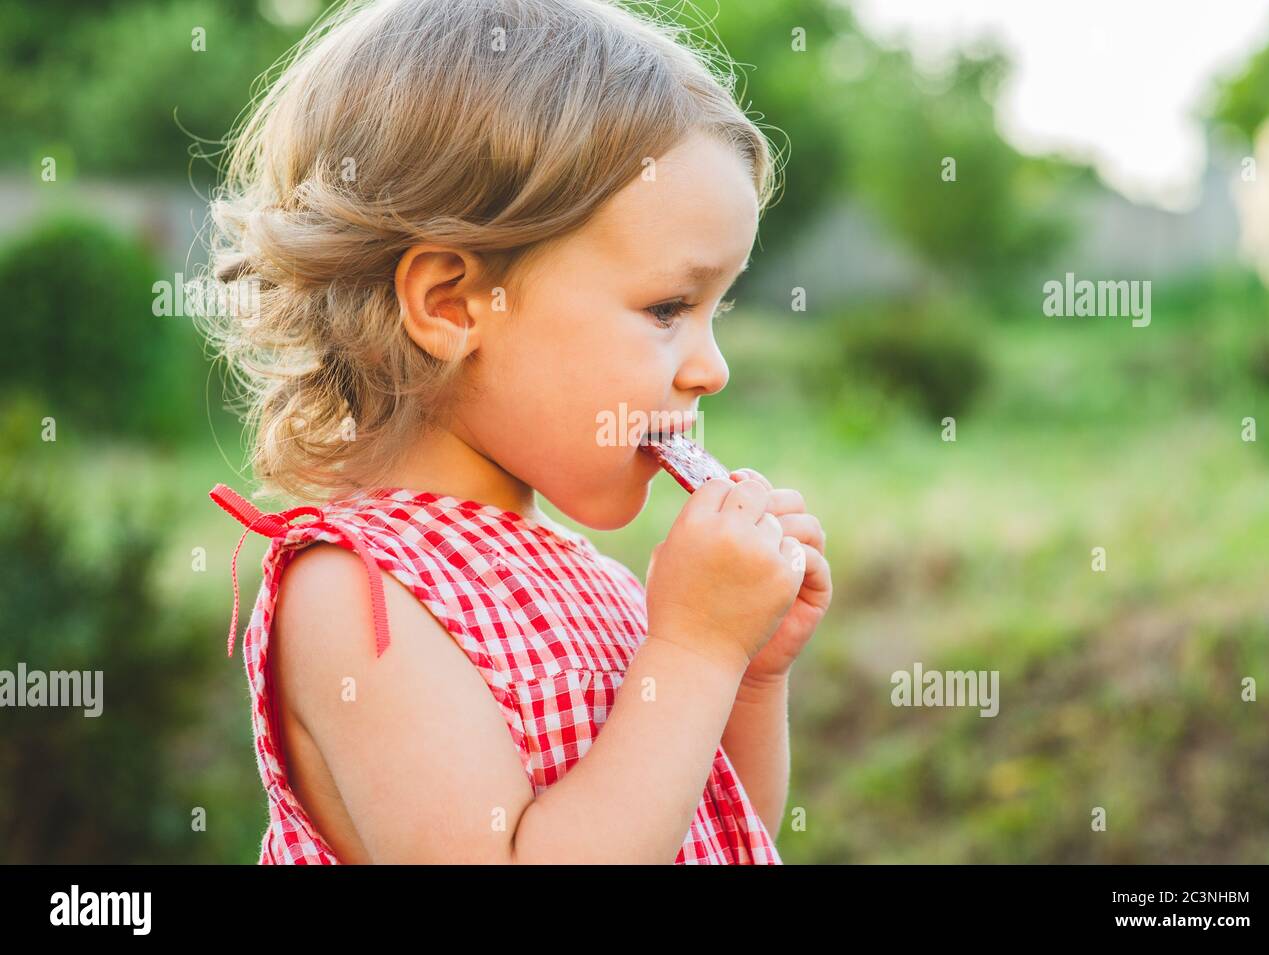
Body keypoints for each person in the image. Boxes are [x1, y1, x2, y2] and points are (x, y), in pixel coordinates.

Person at [199, 0, 831, 864]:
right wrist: (695, 647)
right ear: (452, 304)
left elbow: (713, 829)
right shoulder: (360, 596)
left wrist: (748, 671)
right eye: (669, 308)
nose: (711, 367)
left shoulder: (597, 584)